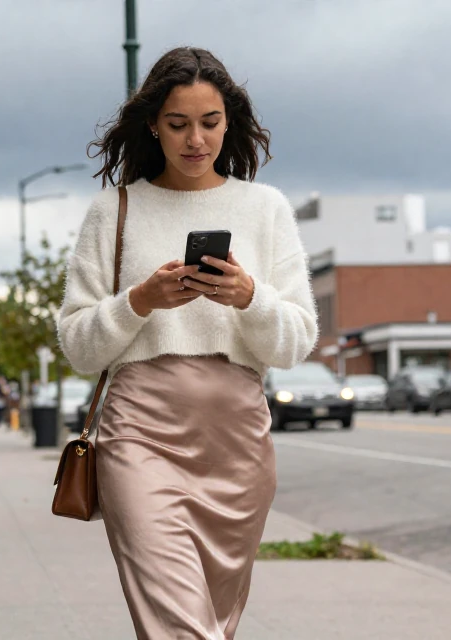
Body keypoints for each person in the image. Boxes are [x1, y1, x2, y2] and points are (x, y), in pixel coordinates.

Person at [58, 47, 317, 640]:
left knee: (213, 624)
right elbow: (78, 345)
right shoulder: (113, 210)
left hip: (237, 442)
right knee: (181, 626)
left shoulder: (265, 208)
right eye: (178, 124)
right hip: (140, 433)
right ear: (153, 124)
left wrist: (250, 296)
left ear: (231, 122)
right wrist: (140, 301)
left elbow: (296, 341)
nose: (195, 139)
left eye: (210, 122)